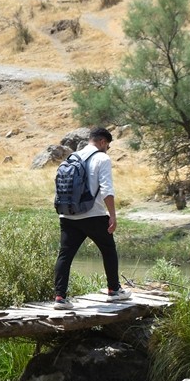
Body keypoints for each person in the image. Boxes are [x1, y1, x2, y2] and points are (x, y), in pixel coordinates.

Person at [52, 127, 126, 309]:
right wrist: (113, 216)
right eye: (107, 145)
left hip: (68, 215)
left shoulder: (72, 157)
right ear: (102, 142)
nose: (107, 149)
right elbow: (107, 190)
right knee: (108, 249)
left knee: (65, 255)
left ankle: (60, 298)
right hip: (93, 214)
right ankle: (114, 290)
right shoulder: (102, 158)